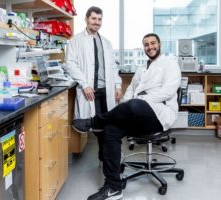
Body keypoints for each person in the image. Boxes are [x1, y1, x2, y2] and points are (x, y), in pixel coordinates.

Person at [73, 33, 181, 200]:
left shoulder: (170, 64)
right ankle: (113, 187)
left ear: (159, 44)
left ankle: (94, 121)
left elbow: (167, 91)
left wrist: (137, 101)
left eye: (153, 43)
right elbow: (130, 90)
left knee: (134, 104)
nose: (150, 47)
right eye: (146, 44)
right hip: (137, 114)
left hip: (160, 115)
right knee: (111, 128)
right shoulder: (141, 69)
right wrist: (129, 103)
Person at [65, 6, 122, 164]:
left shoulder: (106, 42)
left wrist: (117, 85)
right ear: (86, 19)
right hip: (90, 90)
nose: (96, 22)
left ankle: (105, 154)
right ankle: (104, 153)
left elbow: (112, 67)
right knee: (95, 123)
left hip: (106, 89)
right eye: (93, 19)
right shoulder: (75, 41)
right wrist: (84, 84)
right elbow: (70, 64)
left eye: (99, 19)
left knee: (107, 123)